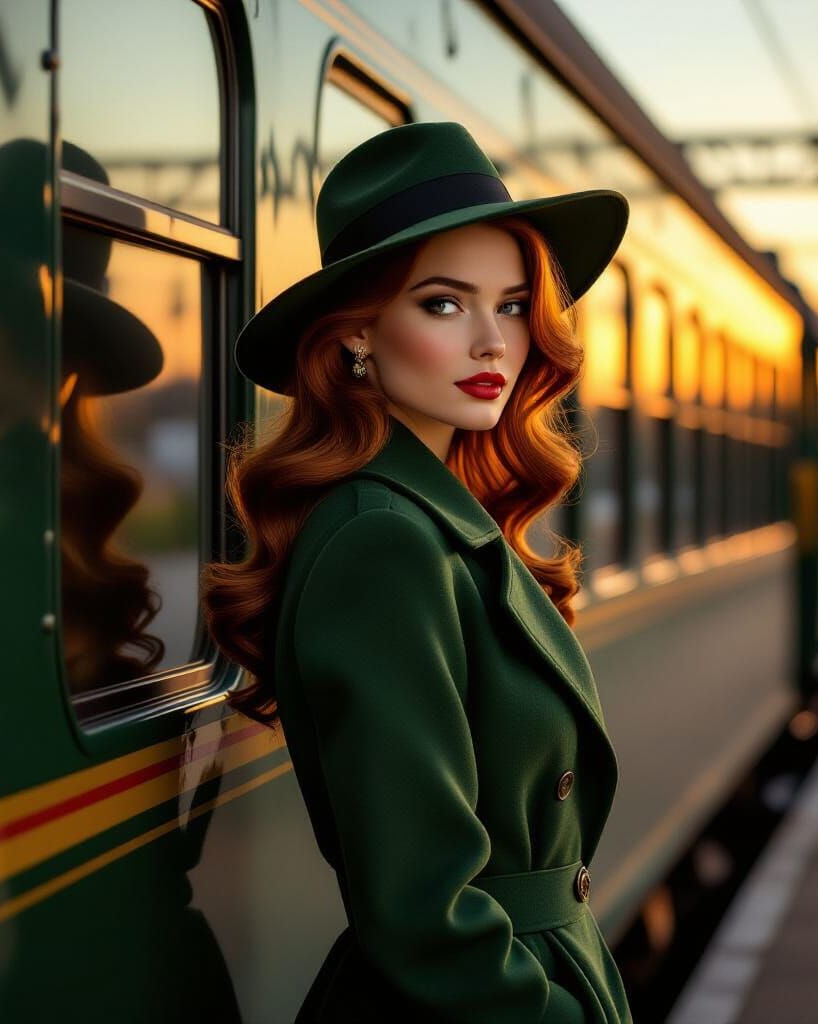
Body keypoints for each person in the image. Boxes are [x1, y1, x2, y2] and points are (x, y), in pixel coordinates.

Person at [201, 120, 633, 1023]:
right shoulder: (383, 543)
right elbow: (424, 916)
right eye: (445, 304)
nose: (493, 343)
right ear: (357, 331)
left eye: (513, 305)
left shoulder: (431, 519)